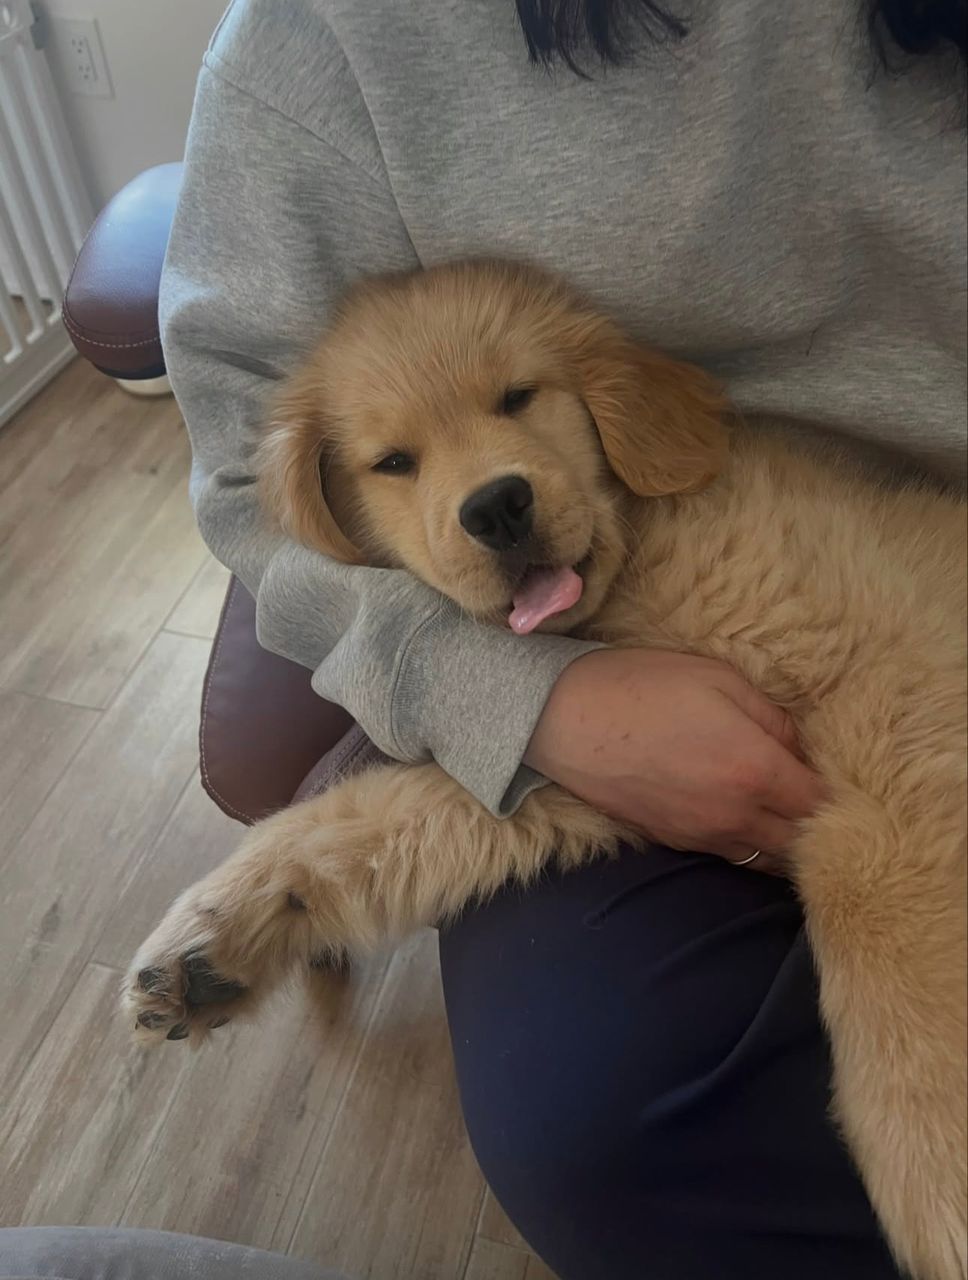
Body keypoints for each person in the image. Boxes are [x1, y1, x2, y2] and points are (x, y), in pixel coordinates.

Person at [159, 2, 967, 1276]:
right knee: (597, 1124)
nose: (482, 484)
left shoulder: (734, 547)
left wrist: (913, 1090)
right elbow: (543, 796)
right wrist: (509, 723)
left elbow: (905, 757)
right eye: (397, 462)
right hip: (593, 657)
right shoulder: (320, 45)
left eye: (513, 401)